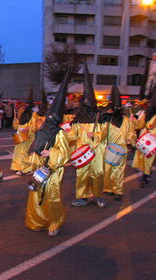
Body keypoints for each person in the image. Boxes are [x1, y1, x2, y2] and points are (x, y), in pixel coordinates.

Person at [25, 67, 71, 236]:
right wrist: (32, 158)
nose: (50, 121)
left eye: (54, 119)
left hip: (54, 170)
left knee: (52, 197)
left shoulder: (60, 133)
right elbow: (34, 148)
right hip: (39, 169)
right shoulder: (41, 131)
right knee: (36, 195)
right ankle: (38, 221)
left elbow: (65, 153)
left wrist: (51, 153)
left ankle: (55, 222)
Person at [69, 62, 108, 208]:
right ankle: (82, 197)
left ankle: (98, 196)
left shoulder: (101, 117)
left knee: (97, 174)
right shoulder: (78, 119)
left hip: (97, 152)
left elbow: (104, 135)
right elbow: (73, 136)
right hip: (82, 151)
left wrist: (95, 136)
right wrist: (68, 133)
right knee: (82, 175)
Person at [103, 84, 137, 200]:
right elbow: (102, 134)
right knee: (107, 170)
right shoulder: (109, 120)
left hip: (121, 149)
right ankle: (108, 188)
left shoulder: (127, 121)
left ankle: (118, 191)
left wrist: (131, 139)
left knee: (119, 171)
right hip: (109, 148)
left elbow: (132, 133)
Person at [132, 87, 156, 187]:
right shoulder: (146, 114)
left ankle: (145, 177)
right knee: (142, 157)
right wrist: (134, 121)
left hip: (154, 139)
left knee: (149, 158)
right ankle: (147, 172)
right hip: (145, 137)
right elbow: (139, 125)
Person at [10, 94, 38, 176]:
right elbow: (16, 125)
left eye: (24, 105)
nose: (23, 106)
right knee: (17, 150)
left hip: (28, 135)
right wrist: (15, 119)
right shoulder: (21, 113)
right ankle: (17, 166)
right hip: (20, 134)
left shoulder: (33, 114)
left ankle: (25, 168)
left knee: (23, 151)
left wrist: (27, 128)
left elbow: (34, 125)